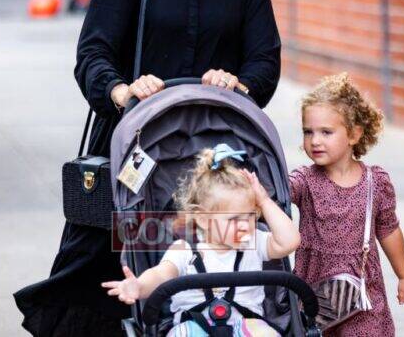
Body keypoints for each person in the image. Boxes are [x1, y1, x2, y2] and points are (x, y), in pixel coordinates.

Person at [14, 0, 282, 336]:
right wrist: (122, 91)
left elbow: (265, 60)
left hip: (218, 153)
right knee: (113, 271)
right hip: (138, 148)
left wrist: (239, 83)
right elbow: (92, 53)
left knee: (224, 266)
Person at [102, 144, 300, 336]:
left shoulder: (254, 243)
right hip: (194, 324)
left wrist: (264, 201)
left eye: (250, 216)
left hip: (246, 324)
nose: (244, 225)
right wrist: (139, 286)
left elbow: (289, 242)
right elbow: (161, 275)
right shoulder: (184, 250)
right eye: (233, 219)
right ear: (203, 219)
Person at [289, 73, 404, 336]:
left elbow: (389, 230)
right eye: (308, 132)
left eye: (326, 132)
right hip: (316, 294)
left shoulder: (375, 181)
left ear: (354, 134)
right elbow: (279, 191)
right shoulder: (304, 180)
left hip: (362, 295)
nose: (315, 140)